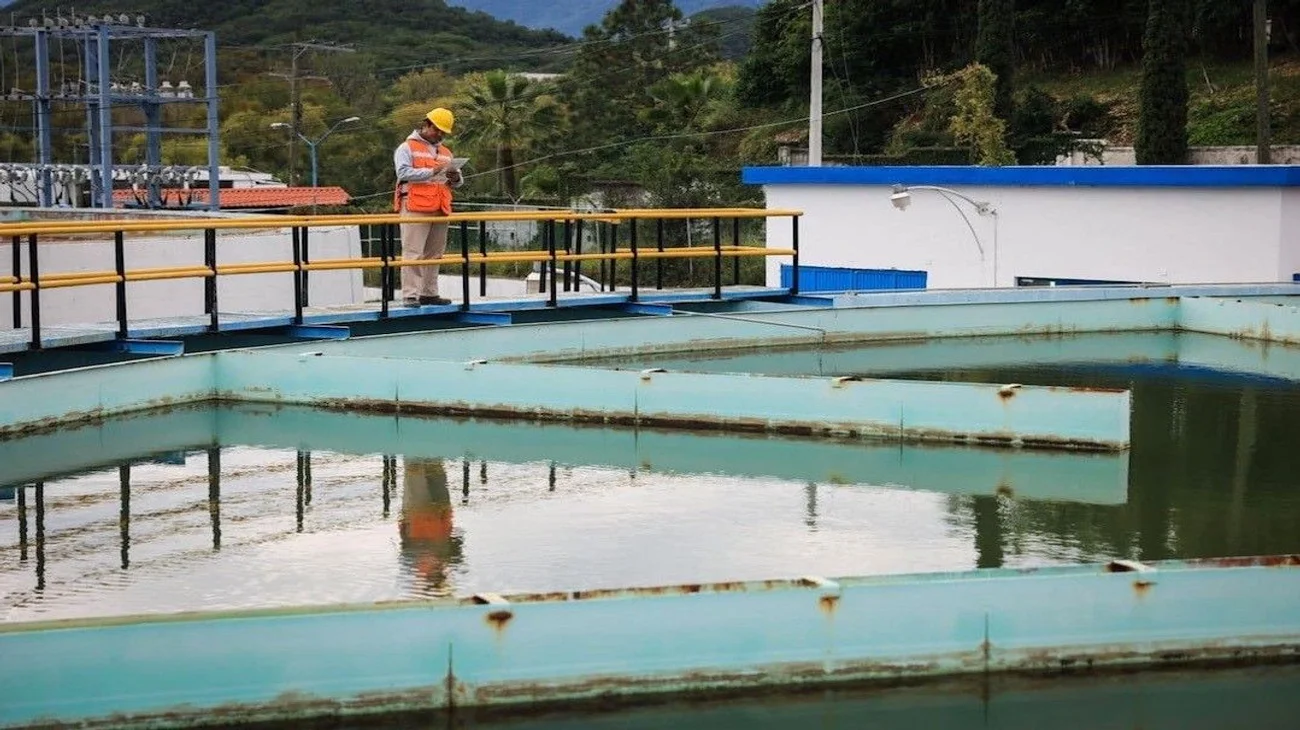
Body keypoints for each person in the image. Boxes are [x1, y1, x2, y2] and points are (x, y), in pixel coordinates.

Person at [393, 107, 463, 306]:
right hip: (415, 205)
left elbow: (457, 183)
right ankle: (410, 295)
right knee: (413, 252)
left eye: (443, 132)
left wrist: (456, 177)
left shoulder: (446, 152)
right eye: (437, 130)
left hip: (440, 206)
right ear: (426, 124)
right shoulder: (406, 148)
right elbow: (403, 172)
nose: (439, 135)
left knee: (434, 253)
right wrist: (432, 171)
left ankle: (429, 292)